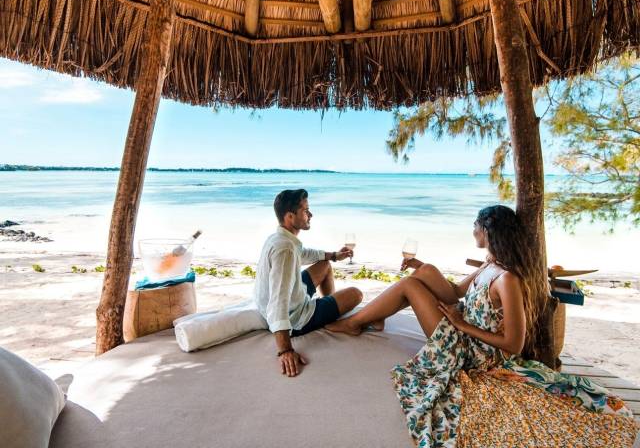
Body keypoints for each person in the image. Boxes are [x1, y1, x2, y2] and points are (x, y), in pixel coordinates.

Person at [327, 205, 638, 447]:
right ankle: (373, 318)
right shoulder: (491, 264)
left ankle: (357, 322)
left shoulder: (508, 279)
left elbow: (513, 344)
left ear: (487, 230)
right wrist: (424, 267)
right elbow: (457, 292)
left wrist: (462, 324)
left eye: (476, 225)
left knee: (410, 286)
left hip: (476, 352)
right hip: (463, 331)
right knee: (419, 276)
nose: (472, 230)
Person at [254, 189, 363, 378]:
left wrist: (334, 255)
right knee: (356, 294)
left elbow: (303, 253)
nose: (310, 215)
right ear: (290, 216)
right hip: (295, 318)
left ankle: (328, 311)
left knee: (325, 265)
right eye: (305, 211)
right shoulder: (285, 249)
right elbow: (278, 301)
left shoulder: (280, 238)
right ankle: (329, 319)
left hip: (290, 298)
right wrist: (285, 350)